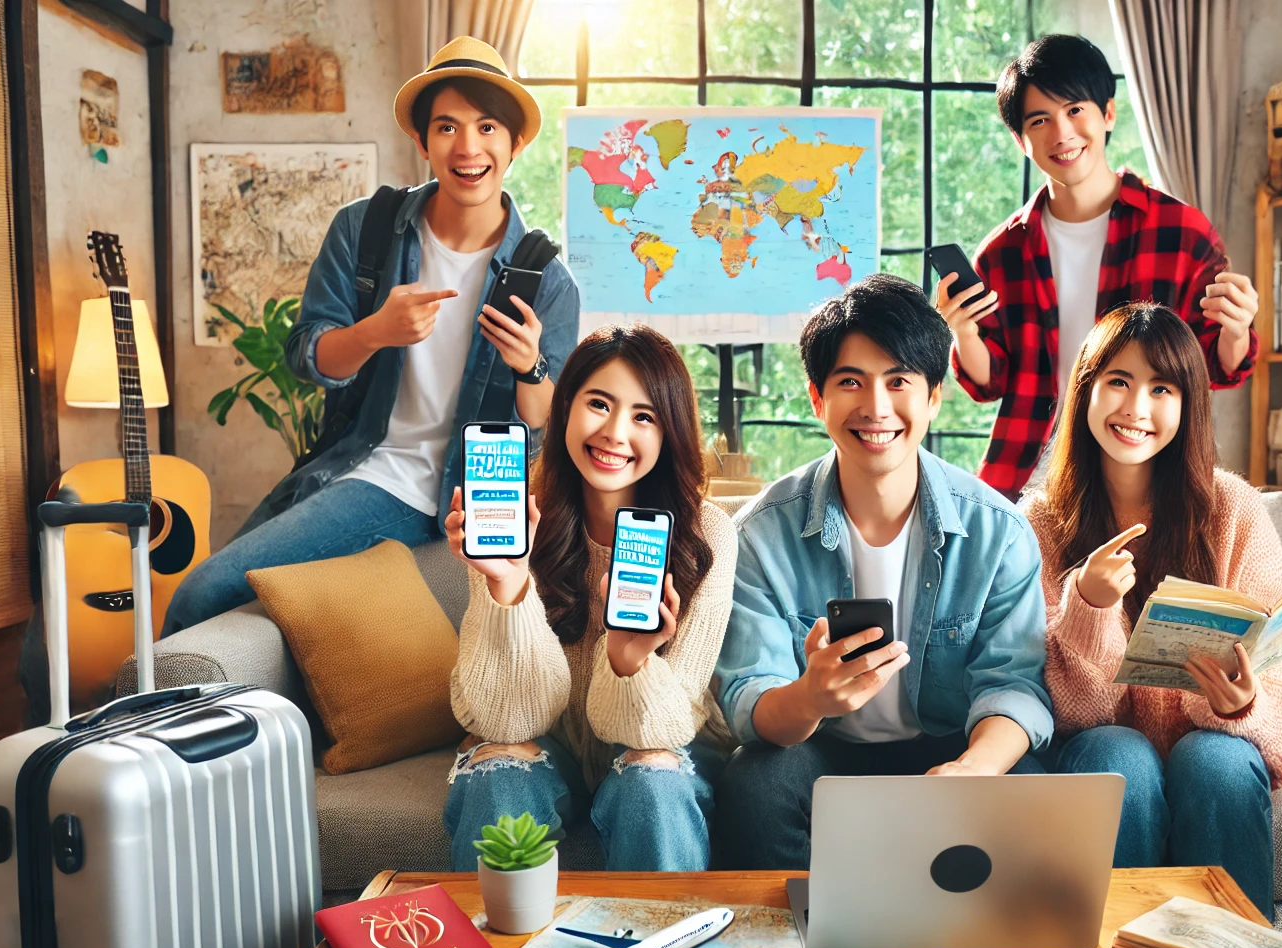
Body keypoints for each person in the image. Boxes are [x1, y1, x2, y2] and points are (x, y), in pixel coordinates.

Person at [162, 36, 580, 636]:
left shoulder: (548, 281)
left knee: (200, 595)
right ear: (422, 141)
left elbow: (548, 424)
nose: (468, 148)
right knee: (205, 597)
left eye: (488, 127)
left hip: (449, 499)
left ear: (515, 144)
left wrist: (530, 367)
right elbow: (307, 354)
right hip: (359, 467)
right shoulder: (366, 229)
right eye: (447, 127)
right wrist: (375, 331)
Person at [713, 274, 1055, 871]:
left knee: (1020, 772)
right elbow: (749, 698)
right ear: (818, 400)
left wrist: (973, 769)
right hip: (821, 750)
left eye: (899, 381)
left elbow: (1013, 684)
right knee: (755, 779)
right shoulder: (763, 533)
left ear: (934, 398)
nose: (876, 408)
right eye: (851, 382)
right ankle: (788, 942)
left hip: (949, 744)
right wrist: (809, 697)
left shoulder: (999, 531)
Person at [1024, 301, 1282, 919]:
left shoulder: (1233, 508)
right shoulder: (1040, 523)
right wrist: (1090, 607)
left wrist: (1244, 702)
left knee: (1216, 761)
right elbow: (1072, 714)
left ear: (1189, 406)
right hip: (1097, 742)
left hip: (1213, 738)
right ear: (1085, 392)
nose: (1136, 408)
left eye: (1162, 388)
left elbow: (1278, 678)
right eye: (1118, 382)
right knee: (1117, 756)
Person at [441, 324, 737, 872]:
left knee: (651, 784)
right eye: (598, 404)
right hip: (549, 746)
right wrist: (508, 588)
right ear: (566, 408)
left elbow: (663, 731)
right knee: (498, 776)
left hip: (662, 748)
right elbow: (507, 721)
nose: (615, 433)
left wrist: (629, 659)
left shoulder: (708, 536)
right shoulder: (514, 519)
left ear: (669, 431)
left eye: (644, 416)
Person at [937, 33, 1260, 501]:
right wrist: (963, 333)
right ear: (1019, 138)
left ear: (1107, 113)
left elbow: (1217, 366)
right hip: (1031, 474)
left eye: (1074, 110)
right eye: (1040, 120)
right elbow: (991, 383)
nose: (1062, 133)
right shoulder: (1002, 252)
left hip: (1147, 470)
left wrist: (1237, 327)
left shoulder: (1180, 230)